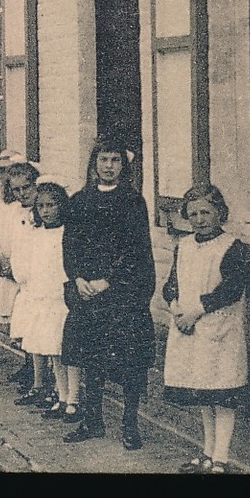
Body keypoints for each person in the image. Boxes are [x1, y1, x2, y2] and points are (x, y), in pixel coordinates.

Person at [60, 139, 156, 449]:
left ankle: (130, 425)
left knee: (128, 362)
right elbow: (69, 245)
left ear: (122, 166)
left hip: (122, 293)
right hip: (87, 292)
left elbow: (136, 249)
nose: (109, 166)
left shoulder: (132, 201)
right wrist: (77, 278)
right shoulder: (79, 201)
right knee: (91, 358)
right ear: (94, 163)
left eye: (115, 160)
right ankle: (93, 421)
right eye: (103, 159)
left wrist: (108, 280)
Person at [163, 185, 249, 474]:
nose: (199, 219)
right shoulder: (184, 246)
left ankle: (221, 458)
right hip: (188, 328)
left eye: (206, 212)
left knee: (221, 393)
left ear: (219, 213)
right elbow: (171, 284)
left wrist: (196, 312)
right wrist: (176, 309)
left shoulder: (231, 247)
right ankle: (207, 452)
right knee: (203, 390)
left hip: (218, 330)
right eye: (193, 214)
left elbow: (232, 289)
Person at [12, 181, 70, 413]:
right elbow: (32, 264)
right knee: (46, 345)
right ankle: (52, 390)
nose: (46, 210)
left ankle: (64, 393)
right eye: (42, 206)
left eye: (51, 205)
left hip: (61, 297)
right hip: (42, 296)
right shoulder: (36, 234)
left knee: (60, 348)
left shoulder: (66, 233)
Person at [0, 154, 40, 384]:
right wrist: (1, 257)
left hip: (30, 274)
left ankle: (37, 373)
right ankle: (29, 366)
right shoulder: (6, 204)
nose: (21, 193)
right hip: (10, 267)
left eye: (25, 187)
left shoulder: (35, 210)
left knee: (35, 323)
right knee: (19, 319)